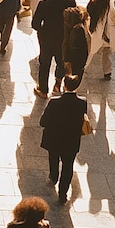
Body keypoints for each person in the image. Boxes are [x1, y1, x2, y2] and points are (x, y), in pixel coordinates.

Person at [40, 74, 87, 204]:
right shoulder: (82, 102)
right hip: (71, 141)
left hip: (54, 138)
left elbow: (43, 121)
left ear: (64, 85)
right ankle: (63, 193)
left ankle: (53, 176)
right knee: (68, 166)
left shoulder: (54, 102)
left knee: (53, 158)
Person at [32, 0, 76, 97]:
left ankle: (43, 90)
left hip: (47, 38)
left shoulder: (43, 3)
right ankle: (58, 83)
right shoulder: (70, 2)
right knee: (61, 62)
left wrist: (42, 31)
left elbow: (35, 24)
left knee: (45, 64)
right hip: (64, 38)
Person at [62, 6, 89, 84]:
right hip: (77, 62)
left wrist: (67, 60)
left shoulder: (77, 31)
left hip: (75, 63)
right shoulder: (78, 28)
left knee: (72, 81)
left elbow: (72, 47)